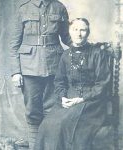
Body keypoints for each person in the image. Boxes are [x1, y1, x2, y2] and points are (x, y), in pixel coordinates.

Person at [34, 18, 111, 150]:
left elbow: (102, 84)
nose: (79, 34)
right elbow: (59, 81)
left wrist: (81, 99)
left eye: (83, 30)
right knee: (47, 125)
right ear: (70, 32)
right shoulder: (65, 55)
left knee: (66, 125)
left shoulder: (98, 53)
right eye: (75, 30)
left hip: (92, 102)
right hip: (69, 99)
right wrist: (63, 97)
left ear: (88, 32)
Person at [10, 0, 72, 149]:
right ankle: (34, 146)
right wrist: (16, 72)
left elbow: (67, 37)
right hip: (28, 67)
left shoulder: (59, 7)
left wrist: (87, 46)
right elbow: (13, 45)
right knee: (32, 110)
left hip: (54, 65)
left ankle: (49, 146)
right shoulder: (23, 8)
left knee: (53, 110)